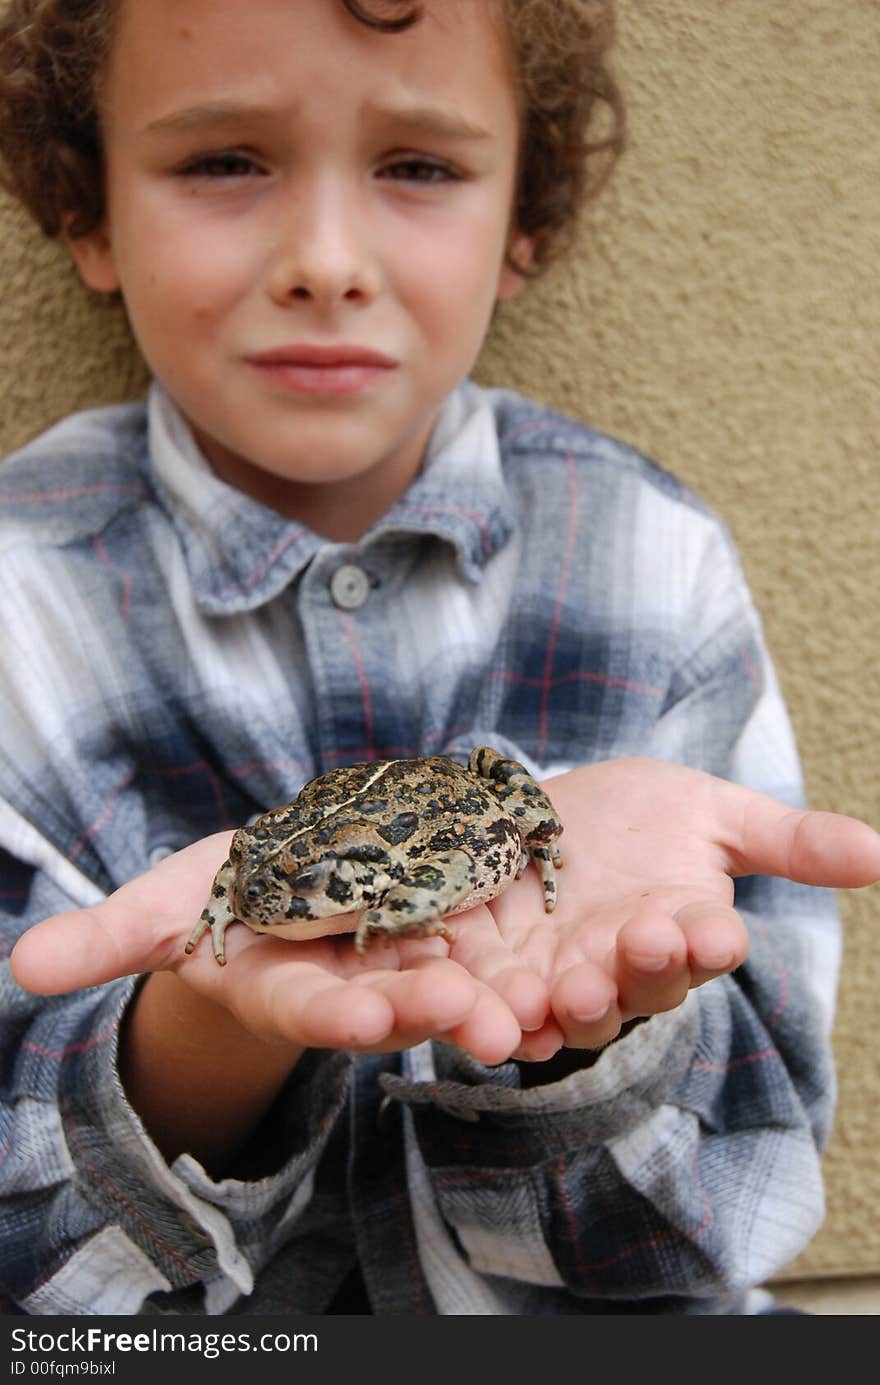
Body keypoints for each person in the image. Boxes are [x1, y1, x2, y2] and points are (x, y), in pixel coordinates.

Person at [0, 0, 877, 1318]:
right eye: (223, 160)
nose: (325, 260)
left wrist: (609, 1028)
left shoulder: (655, 556)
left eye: (418, 165)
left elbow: (735, 1203)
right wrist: (209, 1027)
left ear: (521, 216)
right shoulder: (22, 598)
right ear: (88, 208)